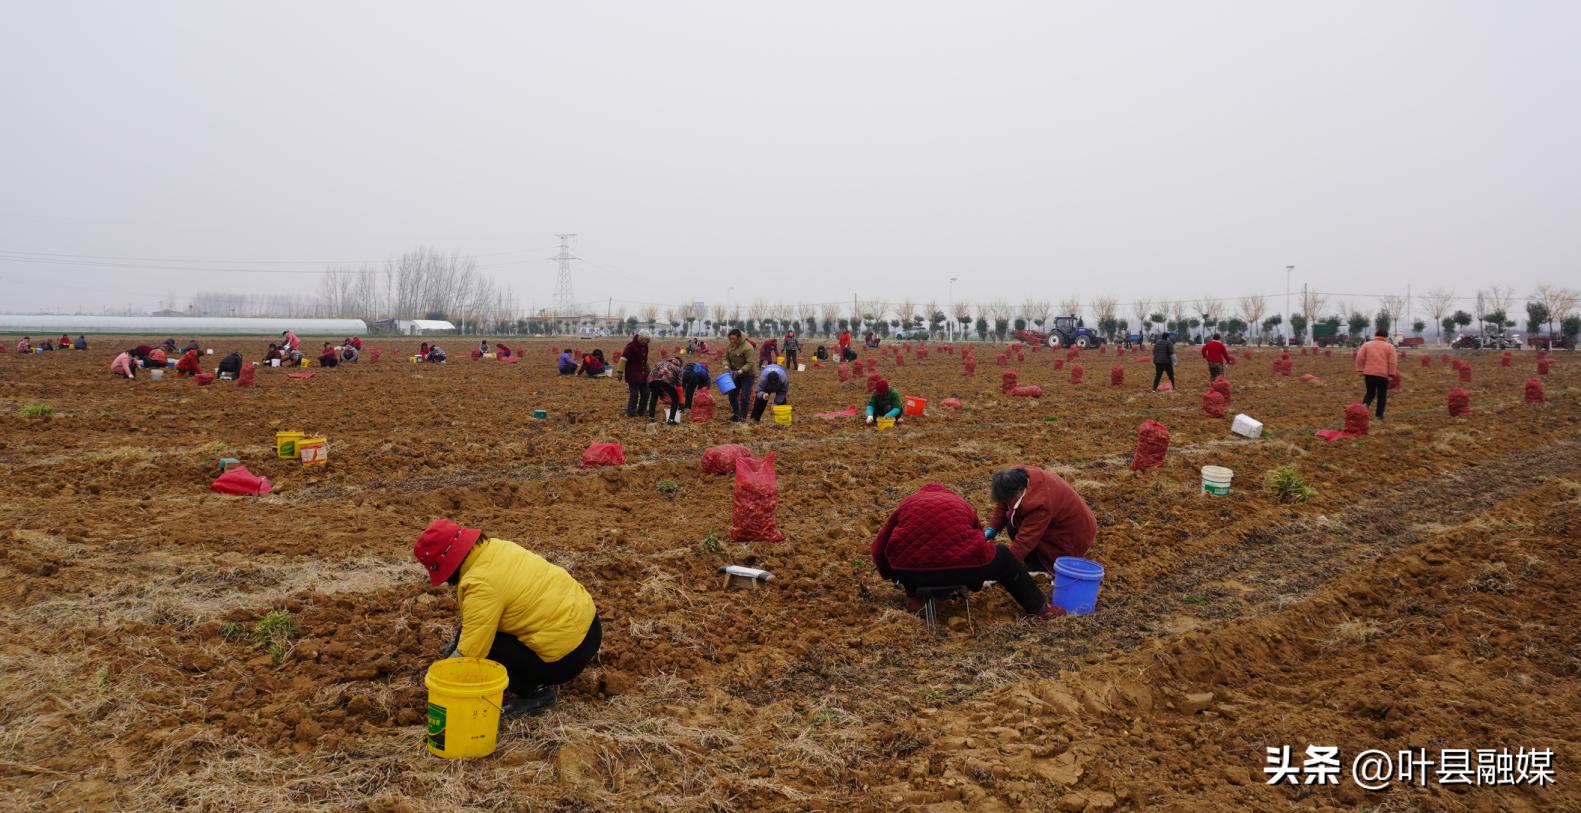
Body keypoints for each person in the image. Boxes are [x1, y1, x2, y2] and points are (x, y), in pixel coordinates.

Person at [413, 519, 601, 717]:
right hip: (590, 629)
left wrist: (441, 679)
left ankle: (535, 694)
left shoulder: (480, 584)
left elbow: (471, 653)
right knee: (480, 630)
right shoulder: (496, 548)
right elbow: (477, 621)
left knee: (489, 647)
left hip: (566, 659)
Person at [872, 484, 1061, 619]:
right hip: (962, 571)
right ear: (948, 494)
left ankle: (914, 597)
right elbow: (979, 540)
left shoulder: (907, 504)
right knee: (1003, 555)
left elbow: (878, 549)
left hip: (914, 575)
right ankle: (1039, 608)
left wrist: (893, 577)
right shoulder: (961, 504)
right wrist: (976, 581)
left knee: (909, 557)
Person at [984, 466, 1097, 574]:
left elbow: (1026, 540)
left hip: (1072, 533)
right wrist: (993, 527)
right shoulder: (1014, 476)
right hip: (1057, 517)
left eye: (1009, 500)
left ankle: (1039, 567)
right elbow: (1004, 501)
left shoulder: (1039, 504)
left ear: (1019, 491)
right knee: (1013, 526)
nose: (1007, 503)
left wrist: (1003, 566)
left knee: (1022, 535)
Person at [1355, 328, 1399, 420]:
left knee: (1370, 393)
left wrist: (1360, 370)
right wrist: (1391, 373)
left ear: (1376, 335)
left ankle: (1363, 410)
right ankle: (1379, 416)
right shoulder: (1389, 347)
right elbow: (1393, 361)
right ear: (1386, 336)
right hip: (1383, 375)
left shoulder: (1367, 345)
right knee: (1382, 395)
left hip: (1369, 374)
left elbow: (1360, 357)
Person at [724, 328, 758, 422]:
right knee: (732, 394)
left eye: (733, 339)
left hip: (748, 375)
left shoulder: (748, 348)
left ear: (739, 338)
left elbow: (750, 363)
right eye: (730, 339)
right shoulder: (730, 346)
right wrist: (726, 367)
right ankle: (737, 414)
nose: (731, 341)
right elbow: (726, 358)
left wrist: (740, 371)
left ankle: (742, 417)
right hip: (735, 374)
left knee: (744, 397)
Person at [621, 331, 652, 418]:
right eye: (645, 340)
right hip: (632, 373)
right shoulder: (631, 346)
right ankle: (631, 412)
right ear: (640, 338)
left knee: (646, 393)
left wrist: (649, 372)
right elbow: (623, 359)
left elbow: (645, 361)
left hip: (643, 373)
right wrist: (620, 372)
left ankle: (641, 411)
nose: (646, 342)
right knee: (634, 394)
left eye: (647, 340)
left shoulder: (645, 346)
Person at [647, 355, 686, 424]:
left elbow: (654, 370)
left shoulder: (662, 362)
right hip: (664, 381)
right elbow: (679, 385)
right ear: (679, 363)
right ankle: (671, 420)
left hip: (651, 380)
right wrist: (681, 402)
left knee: (654, 397)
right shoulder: (678, 369)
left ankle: (651, 417)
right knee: (675, 399)